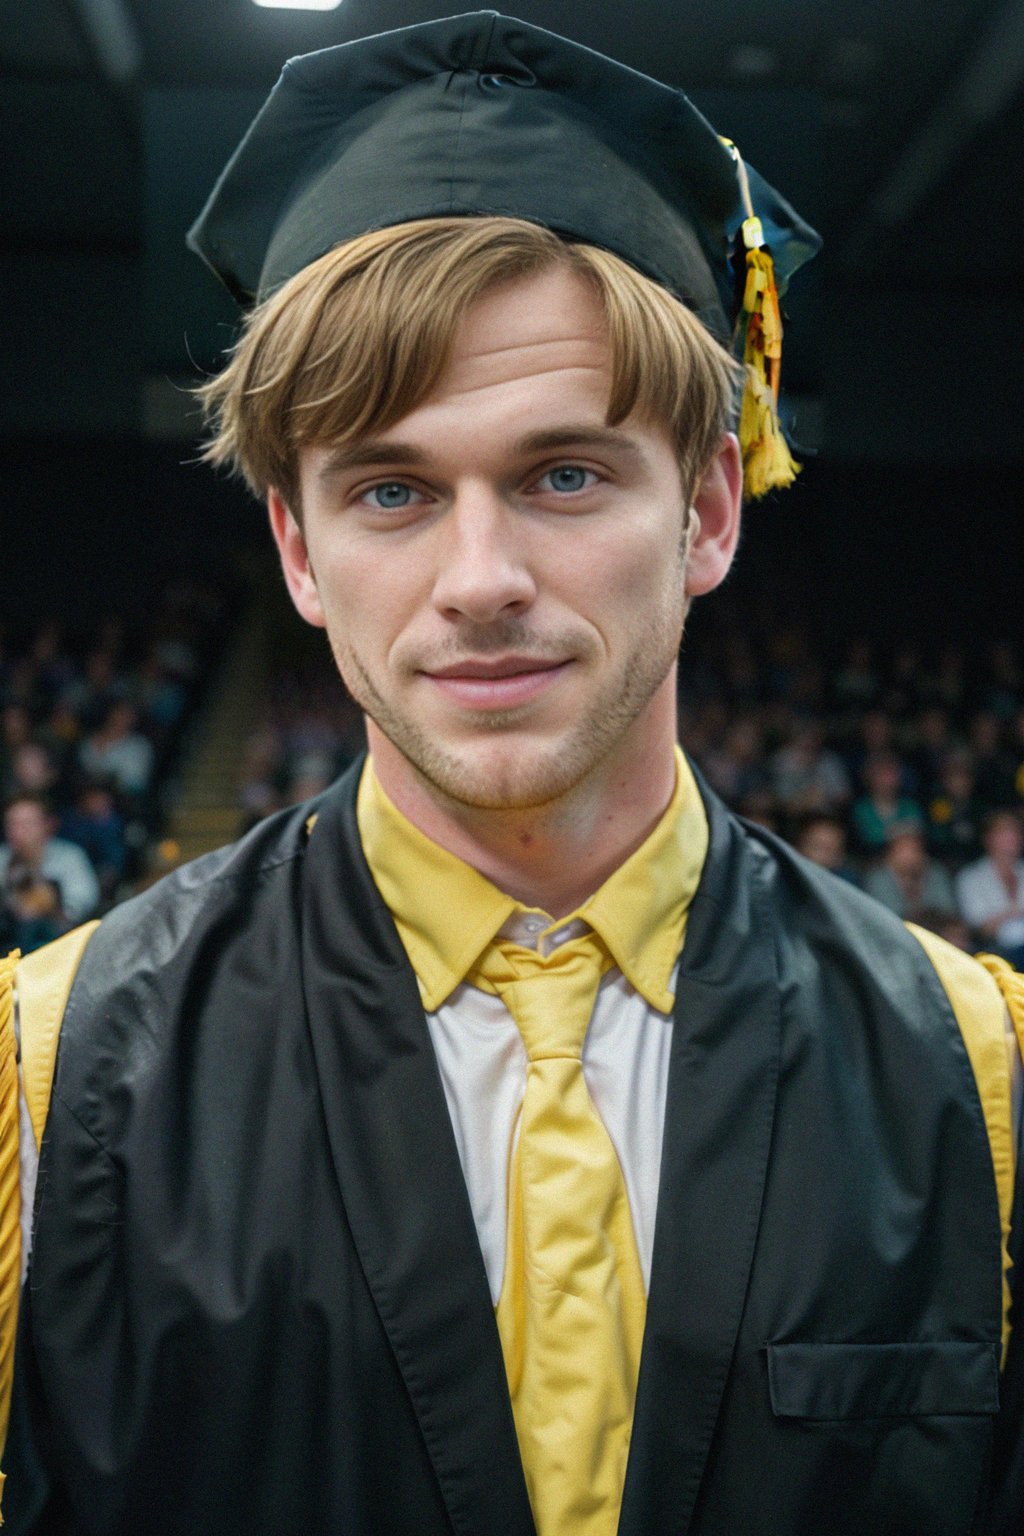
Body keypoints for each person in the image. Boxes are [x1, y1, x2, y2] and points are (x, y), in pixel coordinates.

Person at [1, 15, 1021, 1536]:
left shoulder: (982, 1075)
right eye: (392, 488)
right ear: (298, 549)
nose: (480, 580)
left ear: (713, 509)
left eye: (565, 474)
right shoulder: (42, 1081)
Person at [0, 792, 100, 931]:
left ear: (48, 825)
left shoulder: (70, 857)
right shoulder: (3, 858)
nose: (18, 832)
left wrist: (50, 906)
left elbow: (82, 905)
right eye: (12, 824)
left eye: (27, 824)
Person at [956, 809, 1024, 968]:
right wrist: (1014, 912)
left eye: (1014, 832)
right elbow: (980, 929)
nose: (1010, 837)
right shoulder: (970, 877)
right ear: (988, 839)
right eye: (1003, 831)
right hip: (995, 952)